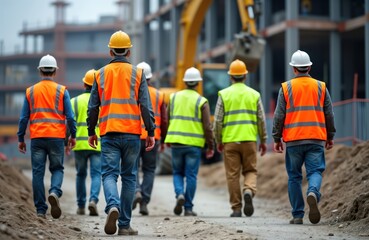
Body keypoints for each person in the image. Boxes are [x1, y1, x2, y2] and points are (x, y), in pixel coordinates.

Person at [87, 30, 156, 236]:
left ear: (110, 51)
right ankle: (124, 225)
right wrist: (150, 131)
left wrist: (91, 131)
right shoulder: (138, 74)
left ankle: (112, 206)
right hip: (132, 134)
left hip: (108, 133)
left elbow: (92, 108)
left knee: (108, 174)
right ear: (128, 52)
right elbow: (146, 106)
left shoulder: (99, 74)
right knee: (129, 178)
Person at [272, 50, 336, 225]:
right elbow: (329, 114)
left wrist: (276, 138)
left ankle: (298, 215)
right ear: (309, 67)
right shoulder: (321, 87)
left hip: (293, 140)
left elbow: (279, 116)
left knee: (294, 177)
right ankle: (313, 192)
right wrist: (330, 136)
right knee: (315, 171)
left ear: (294, 69)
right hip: (316, 138)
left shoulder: (286, 87)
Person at [17, 54, 76, 219]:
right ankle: (55, 192)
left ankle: (41, 210)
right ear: (55, 72)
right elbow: (70, 117)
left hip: (37, 138)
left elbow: (23, 118)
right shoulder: (62, 90)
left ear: (40, 71)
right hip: (56, 138)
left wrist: (21, 138)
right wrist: (72, 136)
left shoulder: (31, 91)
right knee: (57, 168)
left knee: (37, 173)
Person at [213, 59, 267, 218]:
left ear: (231, 77)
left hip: (230, 141)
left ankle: (236, 208)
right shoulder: (254, 94)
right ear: (245, 75)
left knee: (232, 175)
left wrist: (218, 140)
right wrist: (263, 140)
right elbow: (261, 120)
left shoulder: (224, 94)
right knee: (250, 170)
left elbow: (217, 120)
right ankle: (249, 190)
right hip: (249, 140)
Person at [164, 67, 214, 217]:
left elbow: (167, 119)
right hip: (194, 144)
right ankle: (188, 207)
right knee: (191, 176)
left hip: (176, 142)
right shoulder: (201, 101)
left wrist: (167, 137)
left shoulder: (173, 98)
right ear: (198, 83)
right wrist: (211, 145)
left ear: (185, 82)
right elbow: (207, 126)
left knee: (177, 172)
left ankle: (179, 194)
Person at [132, 61, 168, 216]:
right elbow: (165, 120)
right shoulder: (159, 95)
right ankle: (144, 201)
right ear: (150, 77)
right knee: (149, 169)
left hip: (133, 136)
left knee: (132, 168)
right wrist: (164, 139)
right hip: (153, 137)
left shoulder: (132, 92)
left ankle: (137, 191)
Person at [69, 69, 102, 216]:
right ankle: (93, 200)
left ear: (84, 84)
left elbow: (69, 123)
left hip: (79, 144)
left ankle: (81, 206)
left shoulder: (74, 101)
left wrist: (67, 140)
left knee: (80, 175)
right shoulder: (102, 102)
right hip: (97, 144)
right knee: (96, 174)